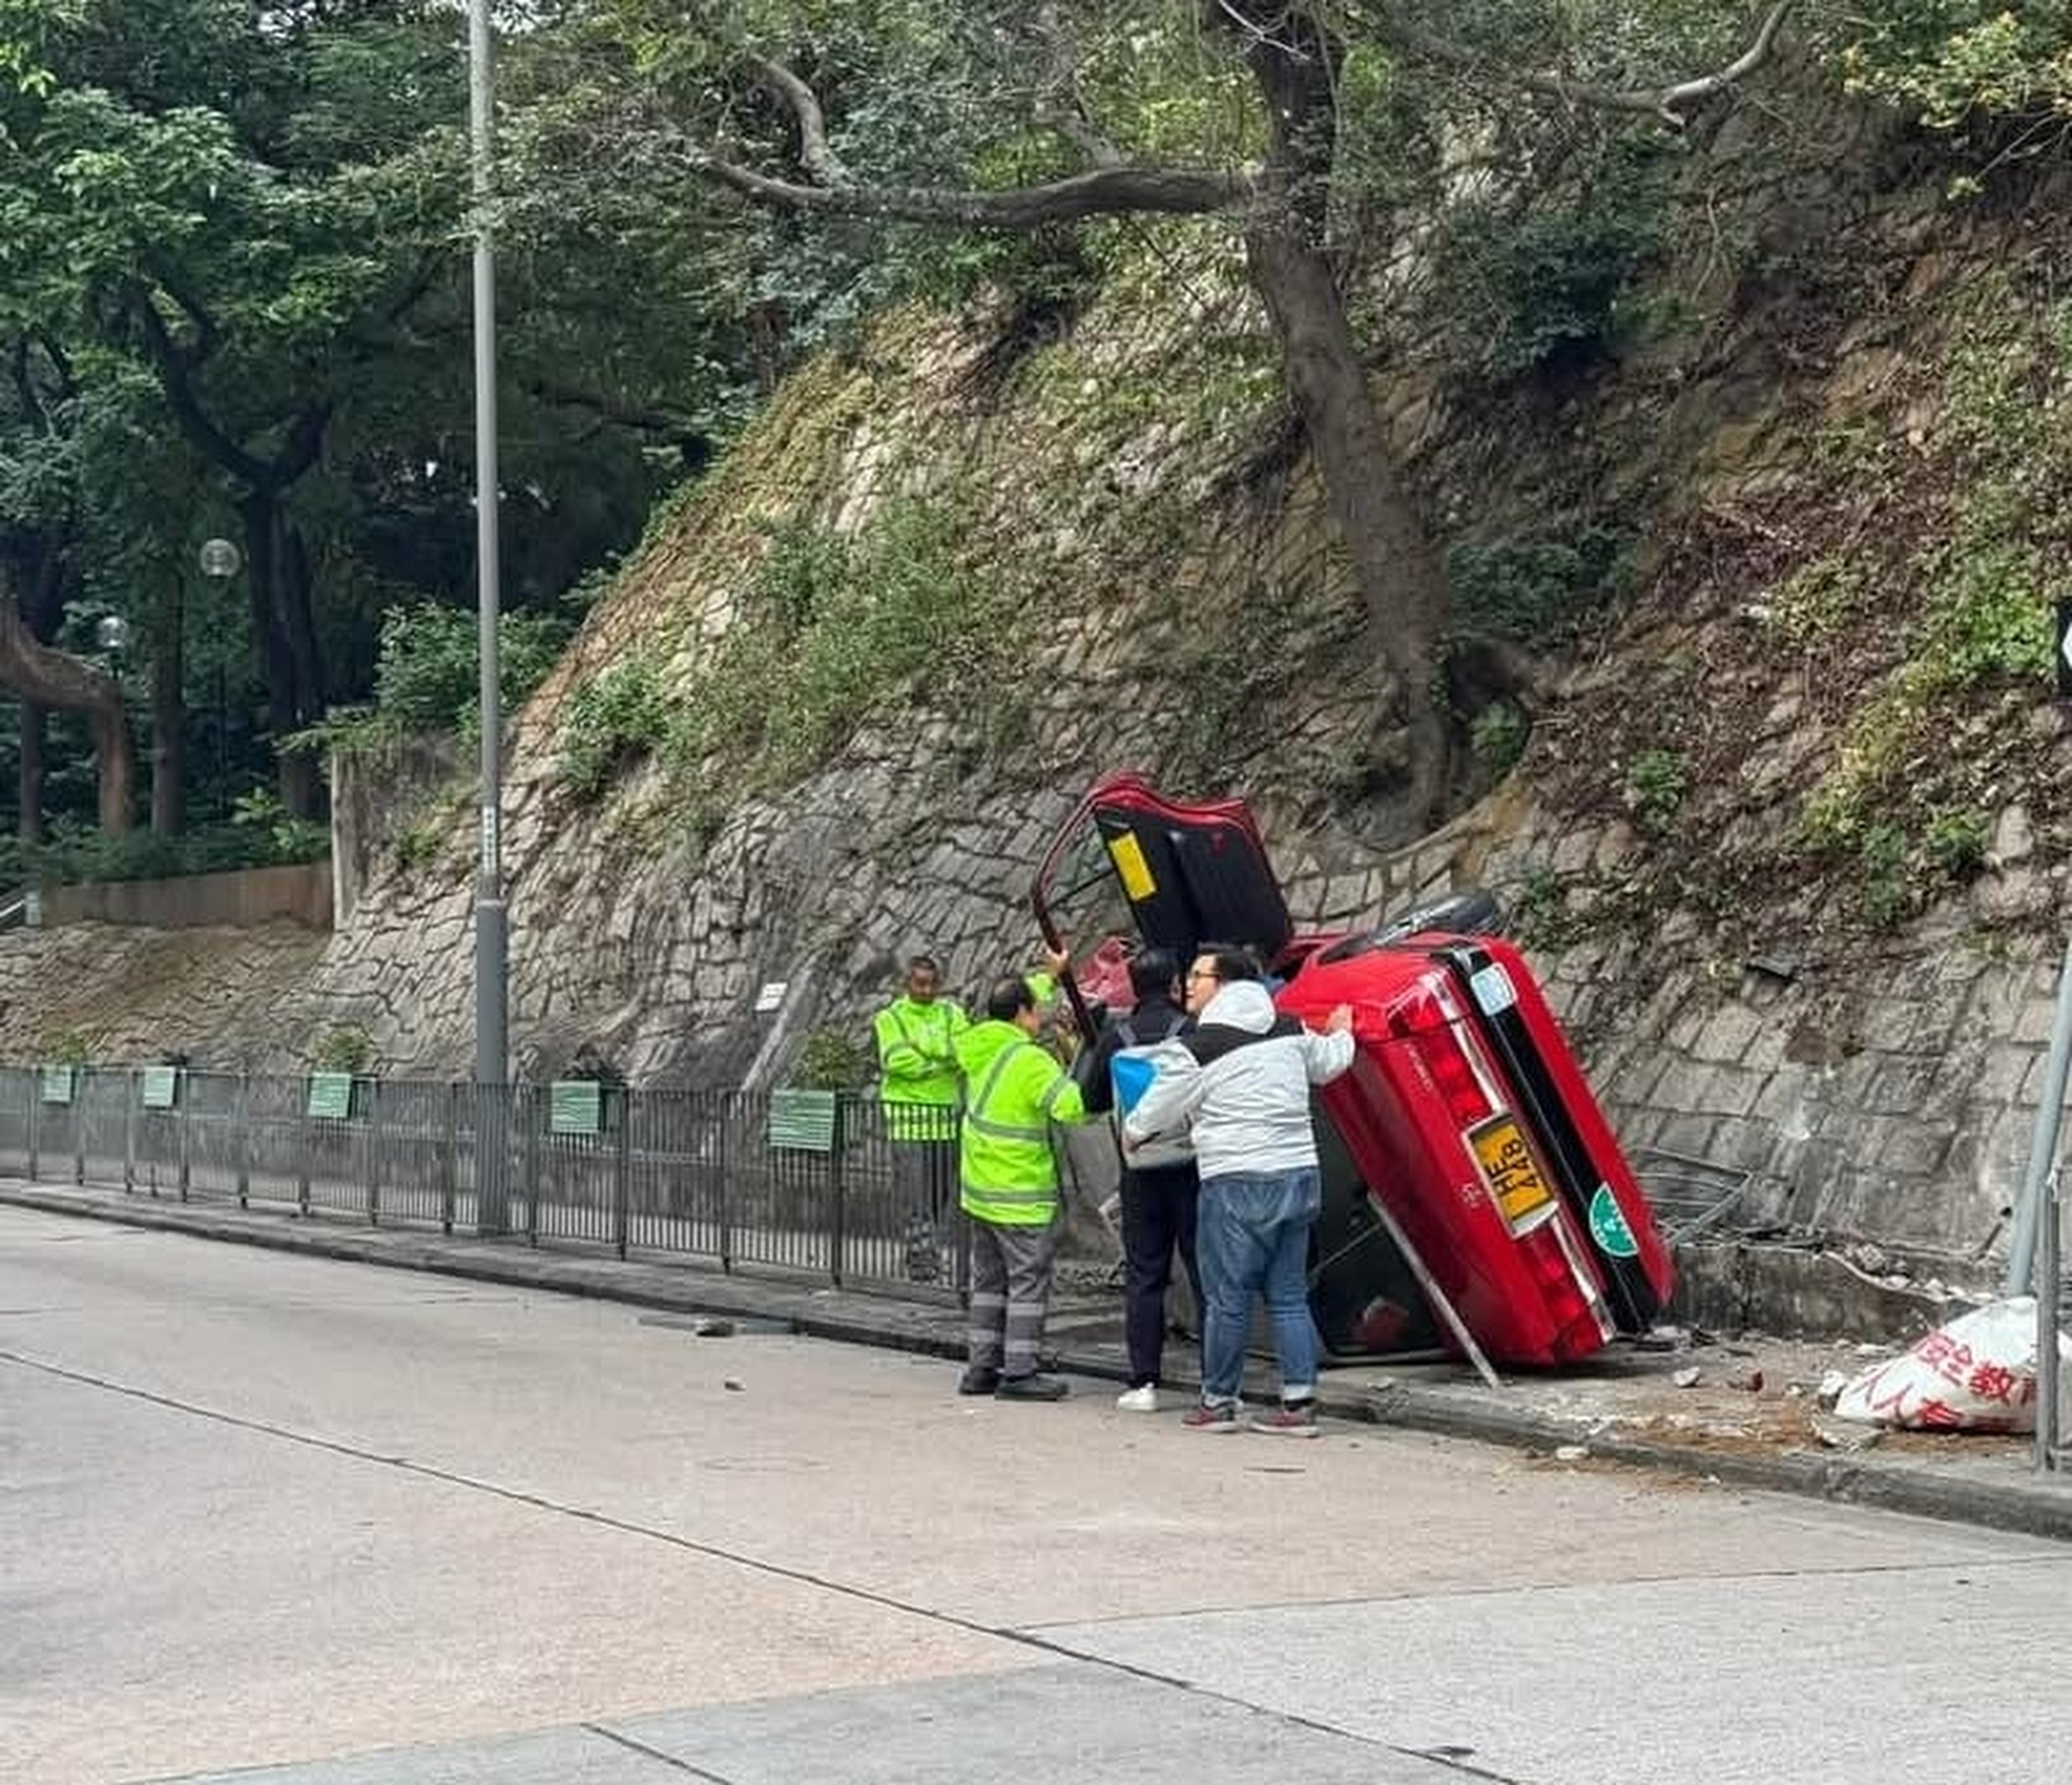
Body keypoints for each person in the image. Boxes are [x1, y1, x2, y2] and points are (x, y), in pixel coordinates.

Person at [1125, 944, 1354, 1437]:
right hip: (1297, 1173)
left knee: (1229, 1296)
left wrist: (1133, 1132)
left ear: (1225, 983)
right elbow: (1331, 1063)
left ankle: (1218, 1402)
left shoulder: (1198, 1048)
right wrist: (1345, 1030)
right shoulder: (1289, 1028)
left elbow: (1154, 1111)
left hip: (1236, 1180)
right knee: (1289, 1296)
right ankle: (1297, 1405)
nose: (1188, 983)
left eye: (1198, 974)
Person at [953, 951, 1090, 1401]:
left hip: (980, 1192)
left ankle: (981, 1370)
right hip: (1020, 1194)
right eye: (1035, 1010)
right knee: (1028, 1284)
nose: (1040, 1017)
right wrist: (1085, 1060)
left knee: (989, 1284)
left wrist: (1049, 978)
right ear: (1022, 1016)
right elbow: (1072, 1107)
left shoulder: (975, 1046)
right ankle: (1020, 1372)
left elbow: (1010, 1001)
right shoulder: (1031, 1062)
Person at [1075, 947, 1203, 1413]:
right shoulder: (1191, 1031)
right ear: (1174, 985)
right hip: (1191, 1167)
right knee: (1204, 1269)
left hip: (1138, 1169)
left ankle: (1144, 1381)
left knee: (1145, 1275)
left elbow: (1090, 1101)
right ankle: (1216, 1378)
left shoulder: (1117, 1037)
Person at [873, 954, 968, 1282]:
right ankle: (923, 1260)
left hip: (945, 1121)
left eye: (932, 984)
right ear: (907, 984)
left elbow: (963, 1051)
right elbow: (897, 1060)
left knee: (940, 1196)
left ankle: (924, 1249)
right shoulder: (890, 1017)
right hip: (908, 1121)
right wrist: (940, 1061)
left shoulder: (952, 1013)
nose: (927, 990)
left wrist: (926, 1051)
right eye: (920, 984)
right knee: (916, 1198)